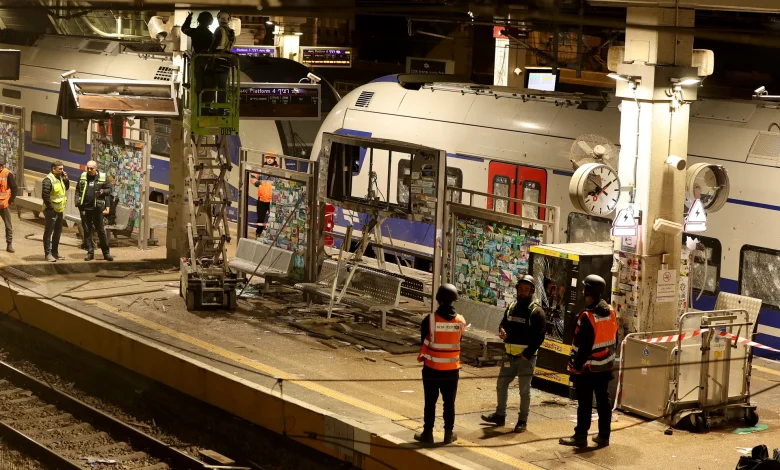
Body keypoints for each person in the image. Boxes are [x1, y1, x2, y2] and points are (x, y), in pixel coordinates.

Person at [482, 275, 546, 433]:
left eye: (526, 290)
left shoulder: (536, 312)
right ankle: (500, 415)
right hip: (509, 356)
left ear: (531, 291)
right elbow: (503, 324)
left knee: (524, 391)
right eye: (521, 289)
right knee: (501, 385)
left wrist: (527, 354)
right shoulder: (511, 307)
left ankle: (522, 421)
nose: (523, 292)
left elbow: (539, 337)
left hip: (525, 359)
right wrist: (502, 330)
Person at [560, 274, 618, 448]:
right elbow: (614, 338)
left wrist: (575, 367)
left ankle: (580, 436)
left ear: (588, 291)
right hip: (605, 367)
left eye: (584, 288)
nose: (582, 291)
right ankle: (604, 436)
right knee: (603, 402)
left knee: (584, 403)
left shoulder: (587, 316)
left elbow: (583, 347)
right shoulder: (611, 312)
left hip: (588, 369)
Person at [415, 283, 466, 445]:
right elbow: (458, 340)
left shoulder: (430, 320)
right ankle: (448, 434)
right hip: (452, 370)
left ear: (438, 299)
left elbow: (423, 341)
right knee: (449, 403)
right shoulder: (461, 321)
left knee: (430, 402)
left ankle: (428, 434)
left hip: (432, 369)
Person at [75, 161, 113, 262]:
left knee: (101, 231)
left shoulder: (103, 177)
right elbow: (78, 190)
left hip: (97, 209)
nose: (89, 170)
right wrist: (78, 203)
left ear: (96, 168)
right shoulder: (83, 176)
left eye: (91, 168)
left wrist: (102, 191)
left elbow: (109, 190)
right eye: (88, 168)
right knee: (87, 231)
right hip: (85, 209)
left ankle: (106, 253)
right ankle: (90, 253)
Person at [42, 161, 69, 262]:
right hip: (51, 211)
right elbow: (45, 195)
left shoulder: (60, 178)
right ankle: (48, 254)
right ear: (53, 169)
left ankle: (55, 253)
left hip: (59, 210)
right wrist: (51, 208)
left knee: (57, 232)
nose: (62, 171)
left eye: (62, 168)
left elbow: (66, 188)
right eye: (60, 169)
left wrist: (66, 180)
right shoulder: (48, 180)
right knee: (48, 232)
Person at [209, 10, 236, 109]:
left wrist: (208, 52)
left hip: (217, 60)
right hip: (226, 60)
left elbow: (215, 44)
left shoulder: (219, 29)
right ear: (228, 19)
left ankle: (209, 107)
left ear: (218, 19)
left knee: (211, 85)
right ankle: (221, 108)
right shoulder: (231, 32)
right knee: (222, 87)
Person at [250, 154, 279, 239]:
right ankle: (258, 233)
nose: (269, 159)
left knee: (274, 219)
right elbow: (253, 177)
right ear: (266, 159)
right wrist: (257, 183)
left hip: (272, 200)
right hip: (262, 198)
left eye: (271, 158)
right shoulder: (261, 168)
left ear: (274, 159)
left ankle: (273, 236)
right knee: (260, 218)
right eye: (268, 158)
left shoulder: (278, 170)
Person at [0, 158, 18, 253]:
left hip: (4, 205)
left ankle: (9, 244)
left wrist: (10, 201)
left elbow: (14, 188)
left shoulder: (7, 173)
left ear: (2, 166)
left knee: (8, 225)